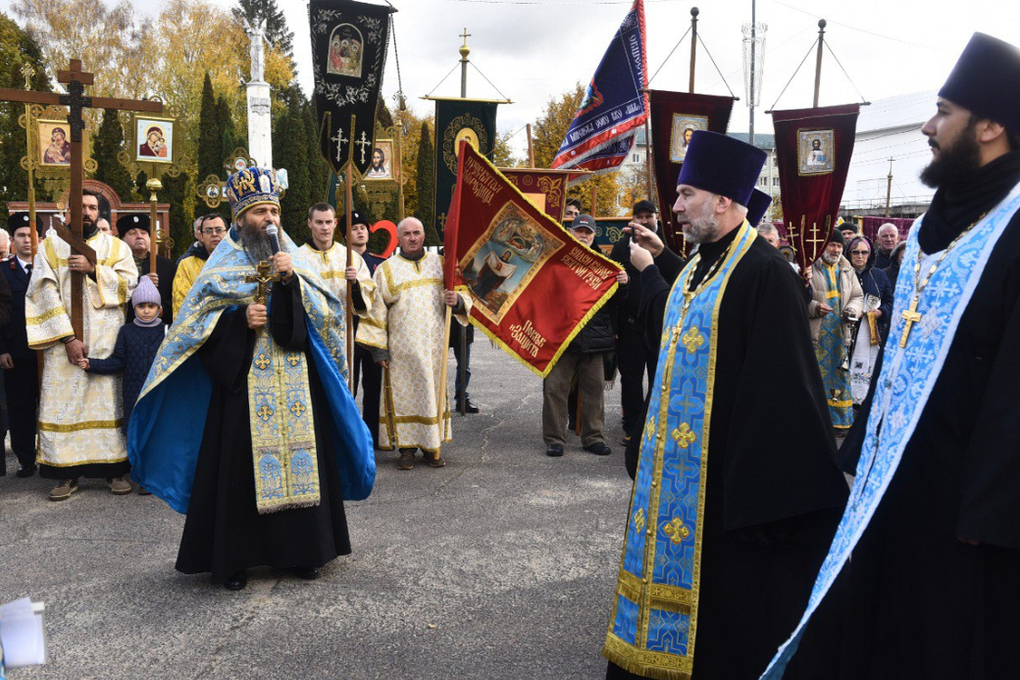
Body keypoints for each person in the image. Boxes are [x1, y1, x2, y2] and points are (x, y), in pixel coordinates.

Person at [765, 32, 1020, 680]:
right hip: (892, 486)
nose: (929, 127)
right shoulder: (939, 219)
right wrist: (862, 451)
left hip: (962, 511)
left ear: (991, 125)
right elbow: (901, 353)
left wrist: (988, 510)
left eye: (944, 112)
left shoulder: (1013, 224)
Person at [604, 131, 848, 680]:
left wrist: (754, 498)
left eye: (686, 193)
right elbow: (674, 341)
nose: (675, 206)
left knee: (722, 628)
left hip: (722, 492)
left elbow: (782, 397)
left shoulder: (766, 273)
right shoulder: (697, 267)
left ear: (722, 200)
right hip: (671, 483)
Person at [128, 166, 375, 591]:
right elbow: (193, 326)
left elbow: (326, 316)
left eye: (273, 211)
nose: (270, 220)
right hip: (241, 383)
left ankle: (304, 551)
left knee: (302, 461)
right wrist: (237, 320)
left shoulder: (293, 260)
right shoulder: (219, 267)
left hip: (295, 380)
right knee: (238, 470)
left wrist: (291, 283)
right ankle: (236, 560)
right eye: (261, 212)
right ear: (241, 218)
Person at [26, 189, 138, 500]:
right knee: (64, 406)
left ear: (99, 213)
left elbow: (129, 285)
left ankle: (113, 470)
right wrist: (68, 338)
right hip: (63, 346)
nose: (86, 212)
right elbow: (42, 293)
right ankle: (65, 474)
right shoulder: (50, 247)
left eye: (92, 207)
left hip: (106, 342)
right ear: (68, 212)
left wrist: (94, 270)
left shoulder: (116, 247)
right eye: (80, 207)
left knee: (108, 402)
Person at [355, 217, 472, 470]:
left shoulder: (441, 264)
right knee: (404, 398)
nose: (412, 238)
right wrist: (379, 349)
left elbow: (464, 292)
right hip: (402, 351)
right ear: (399, 238)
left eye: (416, 233)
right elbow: (376, 310)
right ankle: (406, 450)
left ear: (423, 235)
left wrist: (458, 301)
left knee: (432, 395)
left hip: (434, 348)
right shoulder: (387, 269)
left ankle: (432, 447)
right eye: (406, 234)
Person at [543, 214, 626, 458]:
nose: (583, 235)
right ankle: (554, 439)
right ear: (570, 232)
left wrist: (624, 282)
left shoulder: (605, 265)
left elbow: (618, 302)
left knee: (594, 391)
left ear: (594, 235)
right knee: (555, 390)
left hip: (594, 338)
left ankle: (593, 438)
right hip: (562, 338)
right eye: (579, 230)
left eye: (588, 232)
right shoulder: (556, 262)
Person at [81, 277, 166, 441]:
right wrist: (91, 364)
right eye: (141, 306)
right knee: (135, 432)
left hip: (159, 392)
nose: (146, 311)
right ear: (134, 308)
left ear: (159, 308)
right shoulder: (126, 332)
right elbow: (118, 361)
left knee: (158, 432)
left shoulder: (166, 332)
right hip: (133, 393)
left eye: (151, 306)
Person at [609, 200, 656, 444]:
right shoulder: (621, 247)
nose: (644, 220)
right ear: (633, 219)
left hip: (659, 325)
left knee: (659, 377)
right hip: (630, 324)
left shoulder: (664, 246)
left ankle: (656, 424)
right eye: (640, 216)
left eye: (649, 215)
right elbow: (613, 287)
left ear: (656, 218)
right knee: (631, 377)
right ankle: (632, 427)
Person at [808, 230, 864, 431]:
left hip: (840, 336)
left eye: (839, 246)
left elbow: (857, 296)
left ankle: (839, 422)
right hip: (816, 336)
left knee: (839, 378)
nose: (836, 250)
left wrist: (852, 311)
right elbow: (796, 296)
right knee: (813, 378)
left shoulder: (847, 269)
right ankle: (814, 424)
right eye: (832, 245)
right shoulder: (809, 268)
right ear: (822, 245)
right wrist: (814, 307)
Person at [297, 203, 375, 342]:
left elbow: (365, 303)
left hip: (343, 335)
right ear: (310, 223)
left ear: (335, 223)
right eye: (319, 222)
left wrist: (355, 284)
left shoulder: (351, 257)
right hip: (311, 337)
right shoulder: (298, 258)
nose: (325, 227)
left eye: (328, 222)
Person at [0, 214, 39, 478]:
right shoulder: (3, 271)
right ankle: (26, 459)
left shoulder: (50, 269)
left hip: (47, 351)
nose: (27, 240)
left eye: (31, 235)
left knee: (50, 406)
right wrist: (1, 348)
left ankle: (53, 458)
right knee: (20, 407)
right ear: (13, 240)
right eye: (21, 235)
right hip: (16, 352)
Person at [347, 213, 386, 447]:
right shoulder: (341, 260)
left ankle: (372, 435)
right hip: (349, 333)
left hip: (372, 335)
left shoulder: (380, 264)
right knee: (349, 387)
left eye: (363, 227)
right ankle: (351, 437)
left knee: (373, 388)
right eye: (354, 228)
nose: (360, 231)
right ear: (345, 235)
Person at [845, 236, 893, 408]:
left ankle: (863, 404)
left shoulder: (879, 275)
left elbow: (890, 301)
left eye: (864, 252)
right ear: (848, 253)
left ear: (870, 254)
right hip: (845, 330)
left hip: (870, 331)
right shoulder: (842, 273)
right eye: (855, 252)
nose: (860, 256)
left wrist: (882, 311)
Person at [118, 214, 177, 326]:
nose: (139, 236)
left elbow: (177, 297)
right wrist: (140, 282)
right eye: (132, 233)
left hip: (159, 328)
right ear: (122, 239)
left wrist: (163, 310)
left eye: (144, 233)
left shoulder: (167, 265)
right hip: (126, 327)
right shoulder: (118, 265)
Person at [172, 213, 226, 317]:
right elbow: (182, 303)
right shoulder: (186, 265)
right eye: (208, 231)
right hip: (199, 323)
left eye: (219, 230)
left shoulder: (238, 262)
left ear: (226, 233)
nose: (214, 234)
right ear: (201, 236)